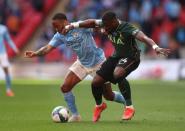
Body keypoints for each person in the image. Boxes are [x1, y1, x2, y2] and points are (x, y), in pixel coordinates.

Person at [64, 11, 171, 122]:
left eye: (108, 26)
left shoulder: (127, 27)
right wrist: (73, 25)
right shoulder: (106, 23)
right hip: (116, 57)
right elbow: (90, 22)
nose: (105, 28)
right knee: (96, 82)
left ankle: (129, 107)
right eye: (104, 26)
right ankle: (99, 105)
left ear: (114, 21)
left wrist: (155, 47)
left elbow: (143, 37)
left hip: (131, 57)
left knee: (118, 73)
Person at [24, 13, 126, 122]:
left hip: (99, 63)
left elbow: (98, 25)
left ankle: (127, 103)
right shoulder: (59, 36)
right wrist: (35, 53)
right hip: (82, 63)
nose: (57, 29)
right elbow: (47, 48)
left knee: (108, 95)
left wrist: (106, 28)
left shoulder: (80, 27)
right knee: (65, 87)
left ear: (65, 22)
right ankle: (76, 116)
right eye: (54, 27)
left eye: (58, 26)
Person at [0, 24, 19, 97]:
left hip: (2, 54)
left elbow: (8, 40)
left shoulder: (3, 28)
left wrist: (15, 48)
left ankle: (8, 90)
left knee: (6, 71)